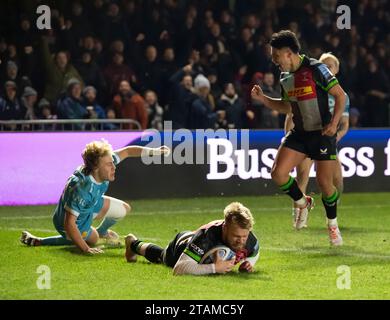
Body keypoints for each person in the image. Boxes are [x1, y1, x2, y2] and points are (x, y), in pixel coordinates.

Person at [251, 30, 346, 246]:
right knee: (278, 173)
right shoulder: (286, 77)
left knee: (325, 184)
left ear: (288, 54)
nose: (274, 61)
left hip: (322, 134)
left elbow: (341, 96)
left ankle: (332, 225)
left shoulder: (316, 69)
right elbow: (288, 107)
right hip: (300, 134)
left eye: (276, 57)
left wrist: (333, 124)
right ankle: (303, 202)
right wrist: (264, 99)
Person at [21, 140, 170, 254]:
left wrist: (155, 151)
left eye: (113, 162)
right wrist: (86, 249)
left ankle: (102, 231)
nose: (114, 167)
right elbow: (69, 224)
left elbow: (129, 151)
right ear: (96, 167)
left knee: (124, 209)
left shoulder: (99, 166)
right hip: (70, 223)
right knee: (92, 239)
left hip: (90, 205)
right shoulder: (82, 188)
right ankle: (39, 241)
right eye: (109, 164)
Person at [285, 52, 350, 229]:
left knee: (336, 179)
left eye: (330, 66)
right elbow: (291, 112)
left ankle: (333, 210)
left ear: (336, 70)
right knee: (302, 176)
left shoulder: (340, 95)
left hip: (327, 141)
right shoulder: (308, 84)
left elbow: (345, 124)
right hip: (306, 136)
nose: (327, 68)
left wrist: (336, 135)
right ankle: (299, 215)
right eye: (324, 65)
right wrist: (288, 135)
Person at [124, 202, 260, 275]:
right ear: (225, 228)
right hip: (181, 246)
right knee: (162, 256)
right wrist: (214, 268)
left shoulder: (248, 237)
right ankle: (133, 244)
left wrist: (249, 263)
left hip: (195, 240)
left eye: (244, 236)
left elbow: (255, 250)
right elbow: (179, 268)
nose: (241, 241)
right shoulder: (207, 237)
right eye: (236, 236)